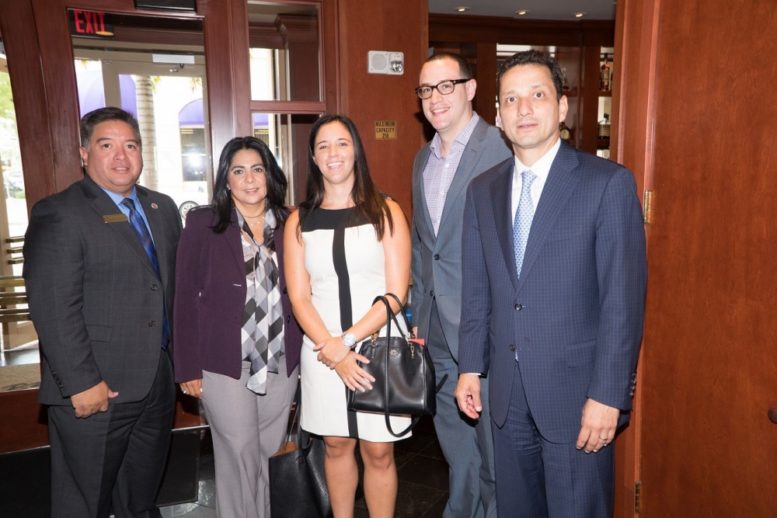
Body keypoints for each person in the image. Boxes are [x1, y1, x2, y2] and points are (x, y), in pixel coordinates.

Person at [455, 50, 647, 518]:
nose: (523, 109)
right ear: (498, 115)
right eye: (511, 99)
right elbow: (478, 290)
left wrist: (608, 395)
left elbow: (622, 303)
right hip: (506, 397)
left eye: (537, 95)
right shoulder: (483, 190)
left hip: (578, 398)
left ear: (561, 107)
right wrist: (470, 367)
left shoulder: (607, 184)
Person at [23, 106, 181, 517]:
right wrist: (81, 382)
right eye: (107, 145)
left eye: (131, 145)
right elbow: (53, 306)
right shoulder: (60, 212)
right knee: (84, 503)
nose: (121, 156)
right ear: (83, 153)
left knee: (140, 500)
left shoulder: (162, 208)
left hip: (156, 385)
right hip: (96, 389)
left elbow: (169, 290)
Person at [284, 114, 411, 518]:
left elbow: (397, 293)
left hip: (377, 346)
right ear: (313, 158)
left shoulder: (386, 211)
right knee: (336, 445)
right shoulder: (299, 220)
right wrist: (333, 349)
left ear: (356, 151)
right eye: (323, 146)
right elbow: (299, 297)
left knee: (378, 449)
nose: (333, 153)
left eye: (342, 143)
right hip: (322, 350)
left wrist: (348, 342)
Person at [173, 136, 302, 517]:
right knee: (239, 451)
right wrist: (187, 366)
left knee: (268, 451)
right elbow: (184, 296)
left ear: (270, 175)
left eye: (257, 169)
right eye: (239, 171)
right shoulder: (204, 223)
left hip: (281, 360)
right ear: (225, 180)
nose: (249, 179)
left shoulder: (293, 222)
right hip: (225, 363)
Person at [410, 52, 511, 518]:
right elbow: (423, 247)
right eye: (426, 90)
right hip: (436, 331)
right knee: (456, 446)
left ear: (471, 89)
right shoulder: (422, 160)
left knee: (495, 451)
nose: (435, 98)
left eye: (446, 86)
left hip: (484, 328)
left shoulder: (502, 148)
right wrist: (418, 313)